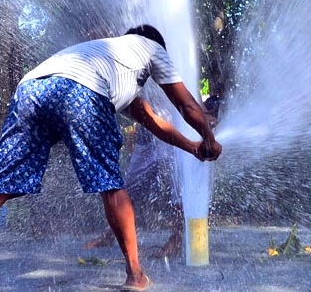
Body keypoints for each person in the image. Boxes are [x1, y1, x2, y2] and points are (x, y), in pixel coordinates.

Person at [0, 25, 221, 292]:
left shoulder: (112, 63)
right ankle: (135, 275)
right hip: (81, 91)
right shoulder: (152, 47)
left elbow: (154, 122)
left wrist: (193, 147)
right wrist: (208, 137)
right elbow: (187, 104)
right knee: (111, 185)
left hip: (31, 89)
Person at [84, 93, 222, 257]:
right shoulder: (139, 72)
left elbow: (192, 99)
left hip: (176, 138)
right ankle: (111, 234)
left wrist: (206, 121)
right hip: (147, 138)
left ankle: (175, 241)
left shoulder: (174, 71)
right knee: (127, 189)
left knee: (178, 191)